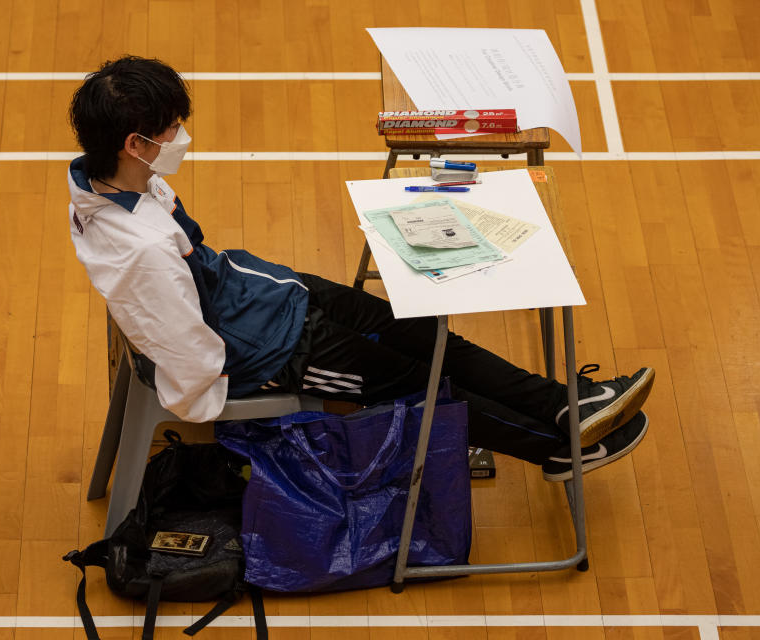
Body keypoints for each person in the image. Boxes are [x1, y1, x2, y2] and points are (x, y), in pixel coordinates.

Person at [66, 56, 655, 482]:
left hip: (274, 295)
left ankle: (564, 402)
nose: (182, 136)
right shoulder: (137, 251)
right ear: (135, 143)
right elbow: (187, 351)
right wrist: (239, 391)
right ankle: (558, 450)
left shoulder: (114, 178)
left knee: (427, 334)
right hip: (271, 353)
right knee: (425, 390)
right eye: (171, 128)